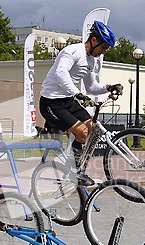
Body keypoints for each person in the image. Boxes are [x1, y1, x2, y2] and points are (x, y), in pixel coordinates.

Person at [39, 20, 123, 186]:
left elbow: (91, 87)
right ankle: (75, 172)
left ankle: (74, 166)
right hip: (51, 102)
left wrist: (108, 87)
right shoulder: (72, 51)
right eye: (103, 47)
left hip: (67, 100)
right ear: (93, 40)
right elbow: (60, 73)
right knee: (83, 132)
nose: (103, 51)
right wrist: (77, 93)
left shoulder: (91, 60)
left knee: (91, 127)